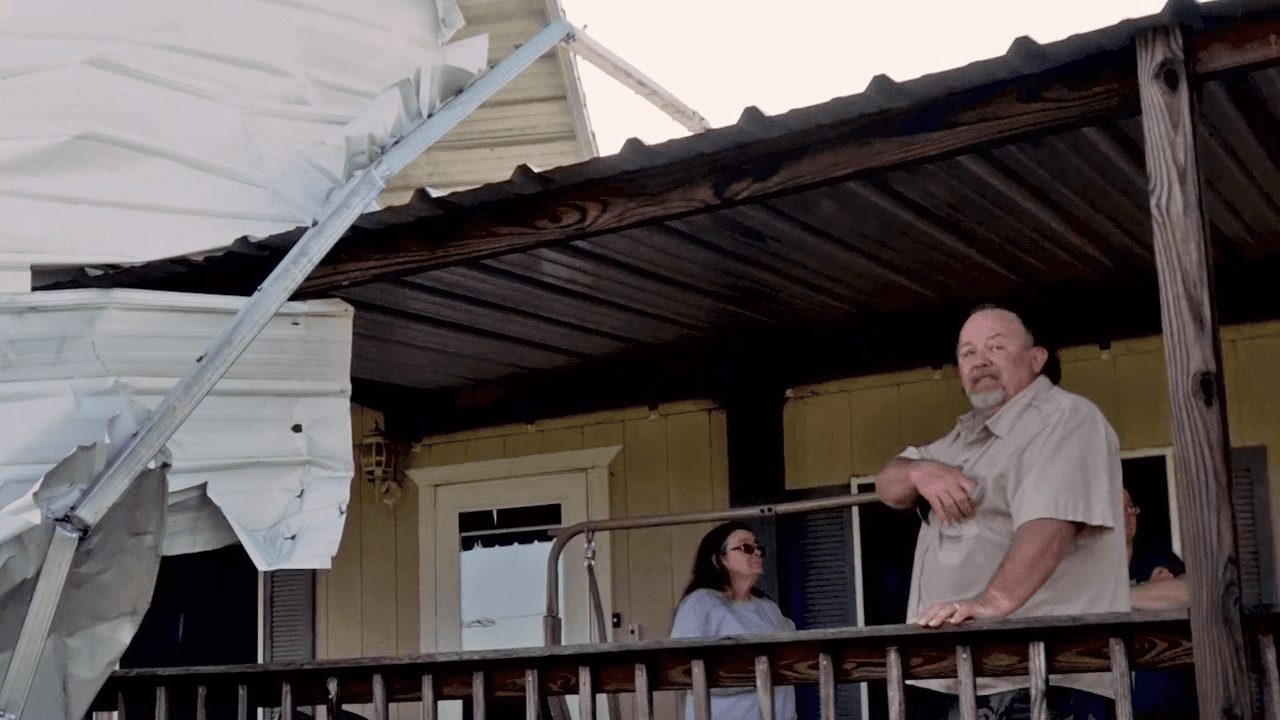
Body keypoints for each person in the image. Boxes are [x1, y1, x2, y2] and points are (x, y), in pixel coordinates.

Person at [875, 306, 1128, 720]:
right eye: (968, 352)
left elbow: (1051, 524)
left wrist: (993, 602)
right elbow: (887, 486)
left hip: (1044, 680)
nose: (980, 361)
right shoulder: (961, 438)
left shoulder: (1066, 418)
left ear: (1036, 358)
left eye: (996, 347)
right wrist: (920, 471)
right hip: (957, 677)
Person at [670, 521, 797, 720]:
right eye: (746, 547)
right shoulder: (699, 603)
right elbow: (681, 667)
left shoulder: (769, 608)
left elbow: (796, 655)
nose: (756, 553)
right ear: (719, 559)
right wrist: (760, 671)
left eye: (758, 548)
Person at [1124, 489, 1190, 610]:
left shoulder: (1153, 557)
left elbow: (1186, 591)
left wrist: (1116, 600)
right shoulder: (1093, 563)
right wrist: (1148, 590)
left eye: (1130, 507)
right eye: (1119, 509)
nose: (1128, 513)